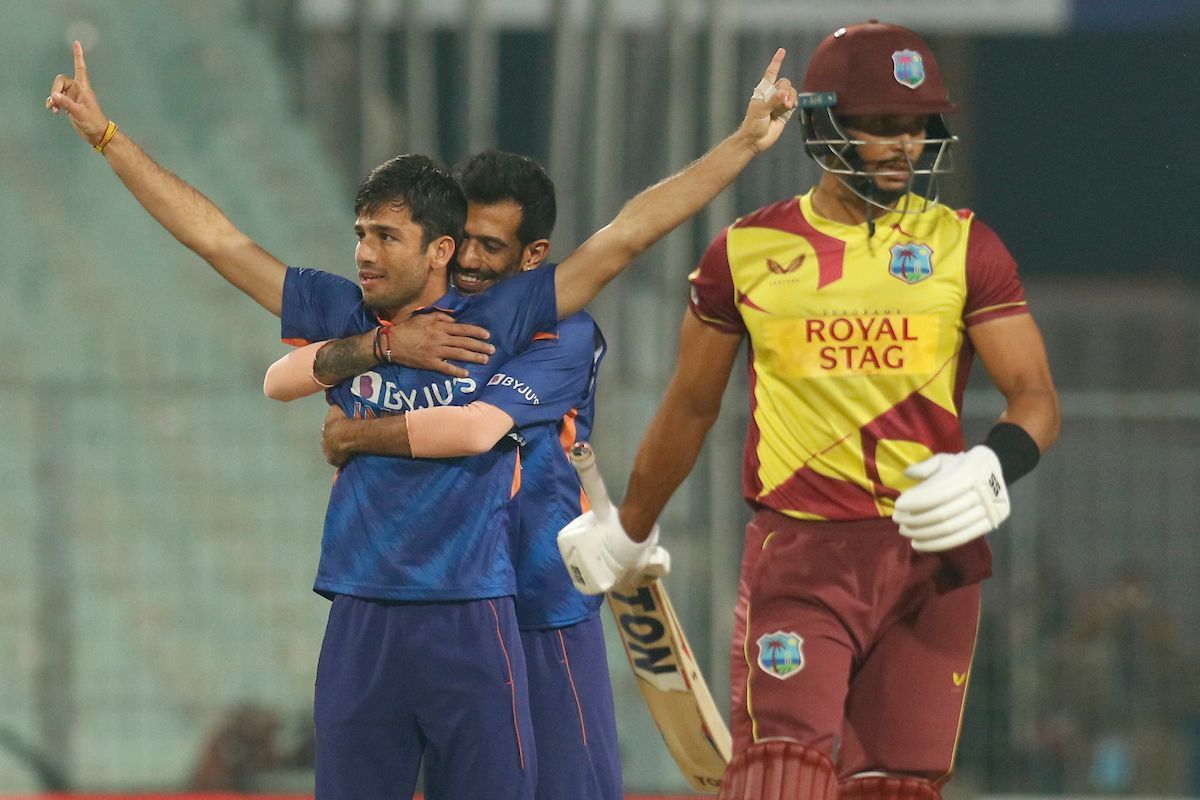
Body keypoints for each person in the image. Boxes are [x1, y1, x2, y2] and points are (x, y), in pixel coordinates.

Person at [46, 41, 797, 799]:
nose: (366, 253)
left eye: (384, 237)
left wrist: (741, 142)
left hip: (489, 610)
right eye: (361, 235)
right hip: (364, 610)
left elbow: (624, 238)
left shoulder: (511, 319)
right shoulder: (349, 313)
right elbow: (215, 239)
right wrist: (110, 139)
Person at [557, 21, 1060, 800]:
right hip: (802, 561)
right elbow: (690, 407)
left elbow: (1034, 397)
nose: (905, 144)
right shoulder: (746, 250)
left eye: (918, 125)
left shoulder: (966, 246)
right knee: (780, 779)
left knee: (897, 787)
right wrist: (630, 527)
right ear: (825, 125)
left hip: (933, 561)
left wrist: (996, 462)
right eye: (882, 125)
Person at [263, 149, 623, 800]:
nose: (469, 262)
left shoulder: (558, 331)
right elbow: (278, 366)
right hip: (454, 611)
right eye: (461, 242)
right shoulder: (414, 325)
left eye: (491, 245)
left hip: (543, 608)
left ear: (534, 256)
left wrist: (351, 435)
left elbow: (474, 430)